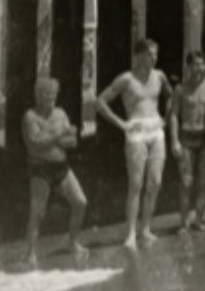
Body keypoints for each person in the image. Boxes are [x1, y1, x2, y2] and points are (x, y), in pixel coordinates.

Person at [94, 37, 172, 251]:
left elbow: (172, 96)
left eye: (155, 54)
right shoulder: (126, 79)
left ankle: (145, 228)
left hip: (156, 130)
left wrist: (166, 116)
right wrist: (121, 123)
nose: (153, 58)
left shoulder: (160, 76)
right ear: (138, 56)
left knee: (155, 182)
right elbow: (100, 101)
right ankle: (130, 233)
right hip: (136, 131)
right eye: (149, 54)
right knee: (136, 184)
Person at [22, 76, 89, 264]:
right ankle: (30, 252)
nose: (50, 97)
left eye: (53, 93)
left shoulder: (60, 113)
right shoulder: (30, 116)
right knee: (37, 212)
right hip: (40, 168)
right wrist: (59, 135)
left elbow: (73, 142)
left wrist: (51, 137)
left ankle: (72, 242)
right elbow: (35, 143)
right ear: (37, 94)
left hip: (60, 165)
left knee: (80, 202)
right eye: (46, 93)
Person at [169, 49, 205, 231]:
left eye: (202, 65)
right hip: (187, 137)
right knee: (186, 181)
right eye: (195, 65)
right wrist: (174, 140)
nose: (199, 69)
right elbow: (173, 115)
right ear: (187, 67)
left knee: (203, 181)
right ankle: (183, 222)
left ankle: (198, 219)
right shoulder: (180, 89)